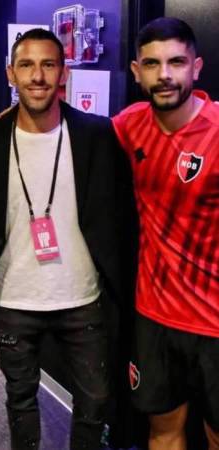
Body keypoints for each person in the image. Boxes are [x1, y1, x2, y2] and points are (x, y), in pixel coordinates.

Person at [0, 28, 136, 450]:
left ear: (64, 74)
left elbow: (122, 214)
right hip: (14, 299)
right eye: (26, 65)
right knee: (20, 401)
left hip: (84, 298)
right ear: (10, 74)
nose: (37, 75)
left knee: (94, 404)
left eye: (48, 64)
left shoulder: (97, 134)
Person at [112, 17, 219, 450]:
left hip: (215, 322)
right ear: (137, 72)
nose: (166, 75)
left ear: (197, 66)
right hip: (153, 315)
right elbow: (72, 135)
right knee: (162, 431)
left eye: (177, 62)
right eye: (153, 64)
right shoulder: (129, 124)